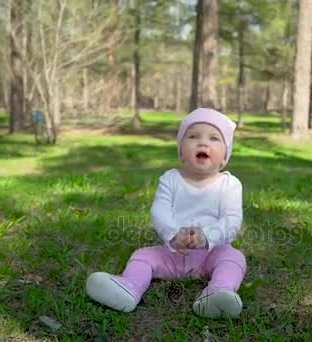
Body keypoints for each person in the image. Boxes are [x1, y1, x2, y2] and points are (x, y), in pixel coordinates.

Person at [86, 108, 246, 318]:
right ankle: (128, 287)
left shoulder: (229, 185)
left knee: (234, 257)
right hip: (173, 253)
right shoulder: (170, 179)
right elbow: (160, 210)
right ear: (181, 152)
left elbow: (231, 220)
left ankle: (218, 292)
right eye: (193, 136)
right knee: (142, 255)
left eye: (214, 138)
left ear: (225, 156)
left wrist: (207, 236)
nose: (203, 143)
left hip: (211, 253)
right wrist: (172, 234)